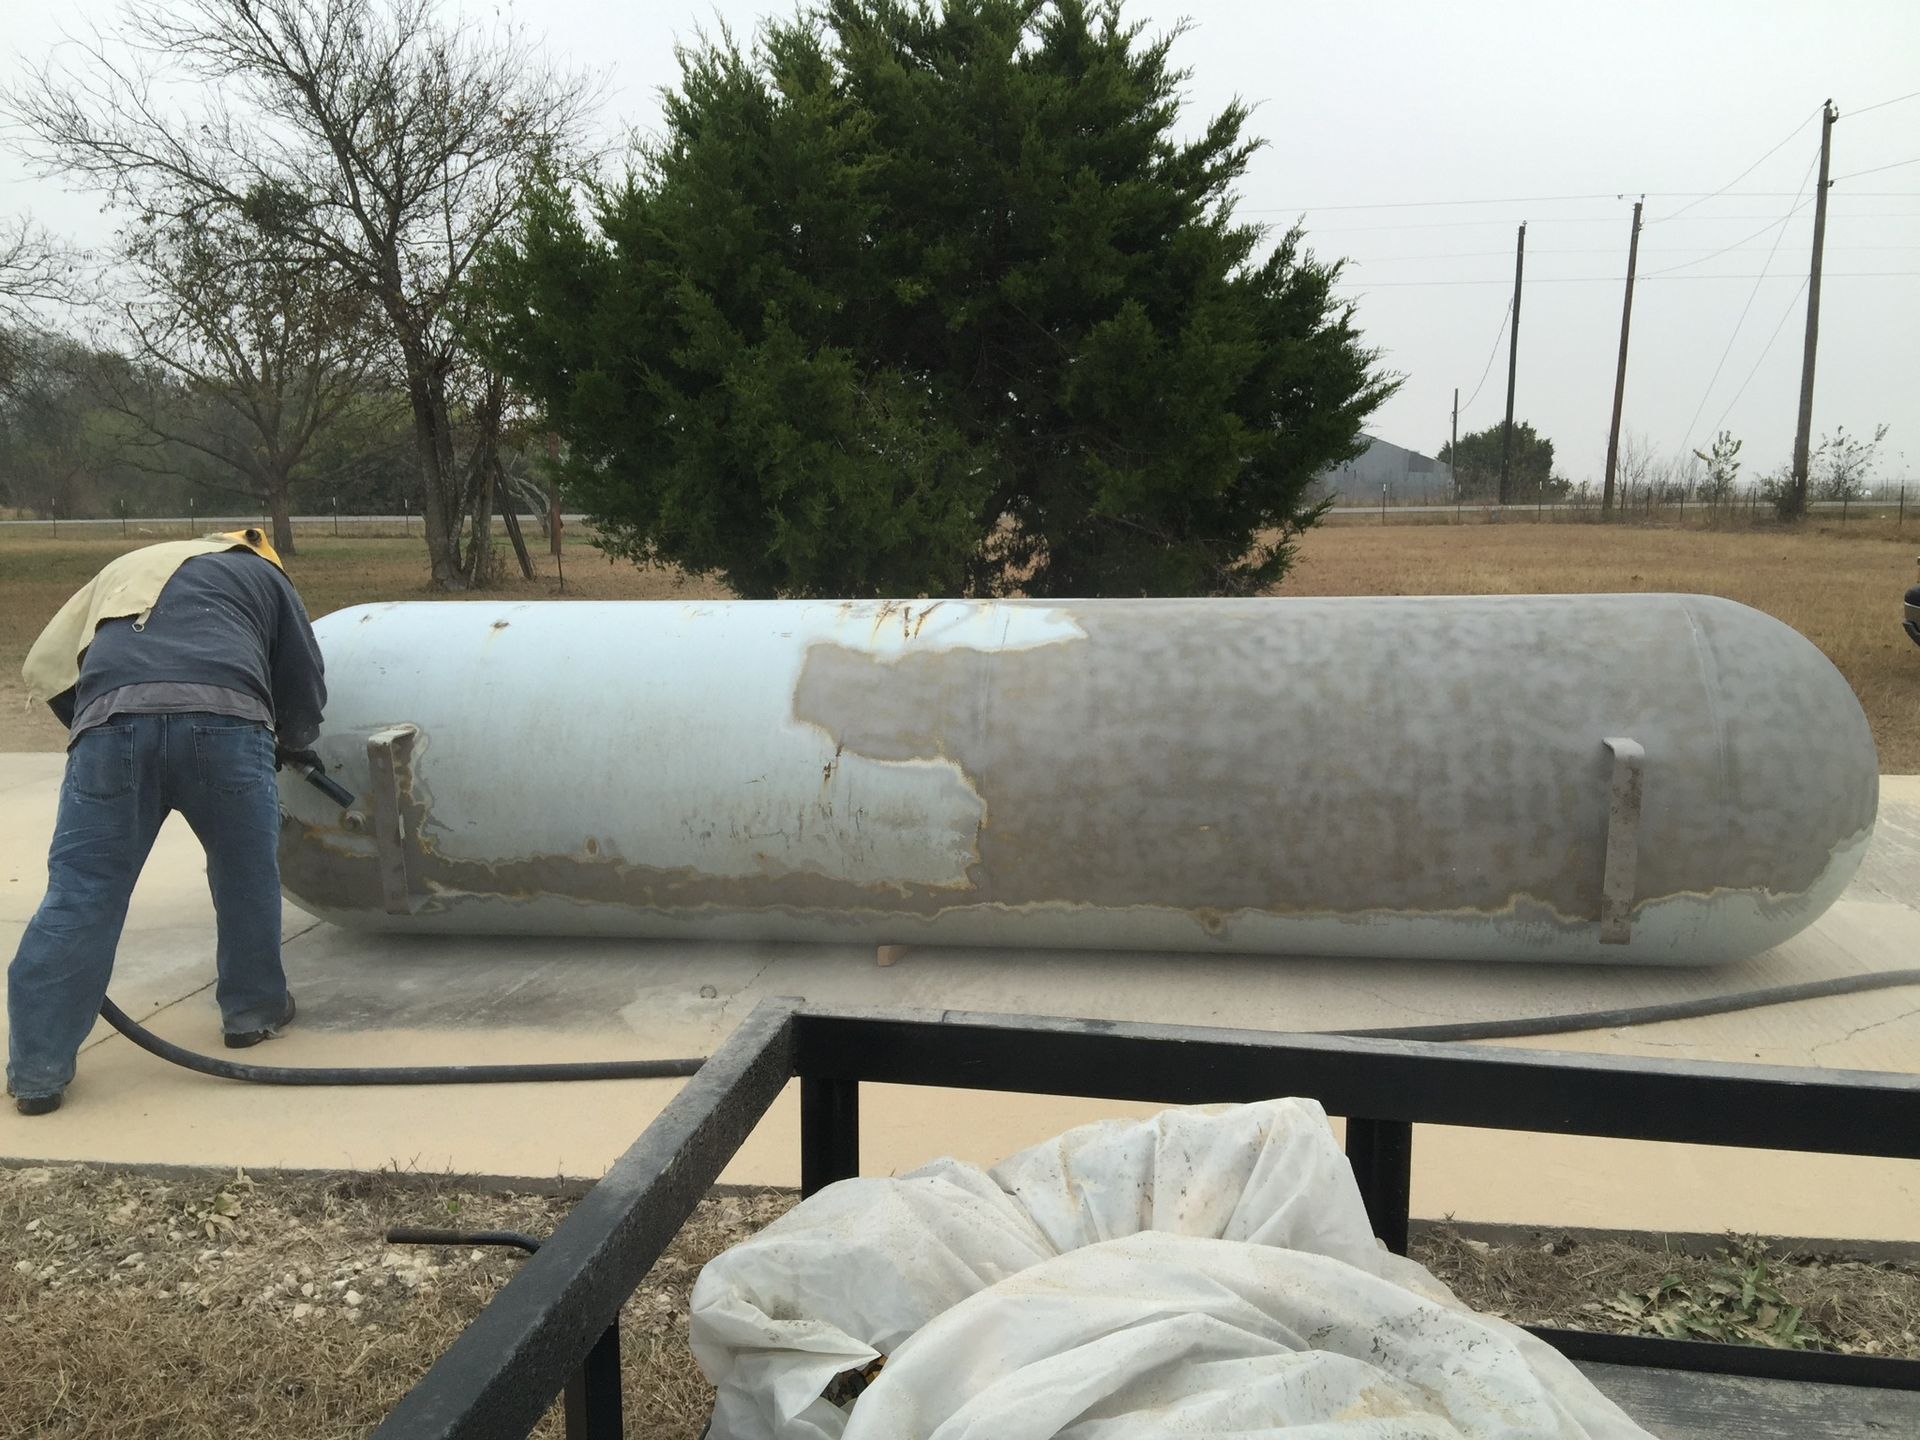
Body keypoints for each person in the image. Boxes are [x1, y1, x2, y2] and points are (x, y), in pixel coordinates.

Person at [7, 529, 327, 1115]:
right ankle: (251, 1015)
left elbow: (45, 664)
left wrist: (92, 727)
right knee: (245, 877)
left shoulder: (125, 566)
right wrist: (292, 737)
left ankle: (37, 1069)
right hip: (227, 727)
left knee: (81, 893)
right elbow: (302, 679)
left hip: (110, 727)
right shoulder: (264, 574)